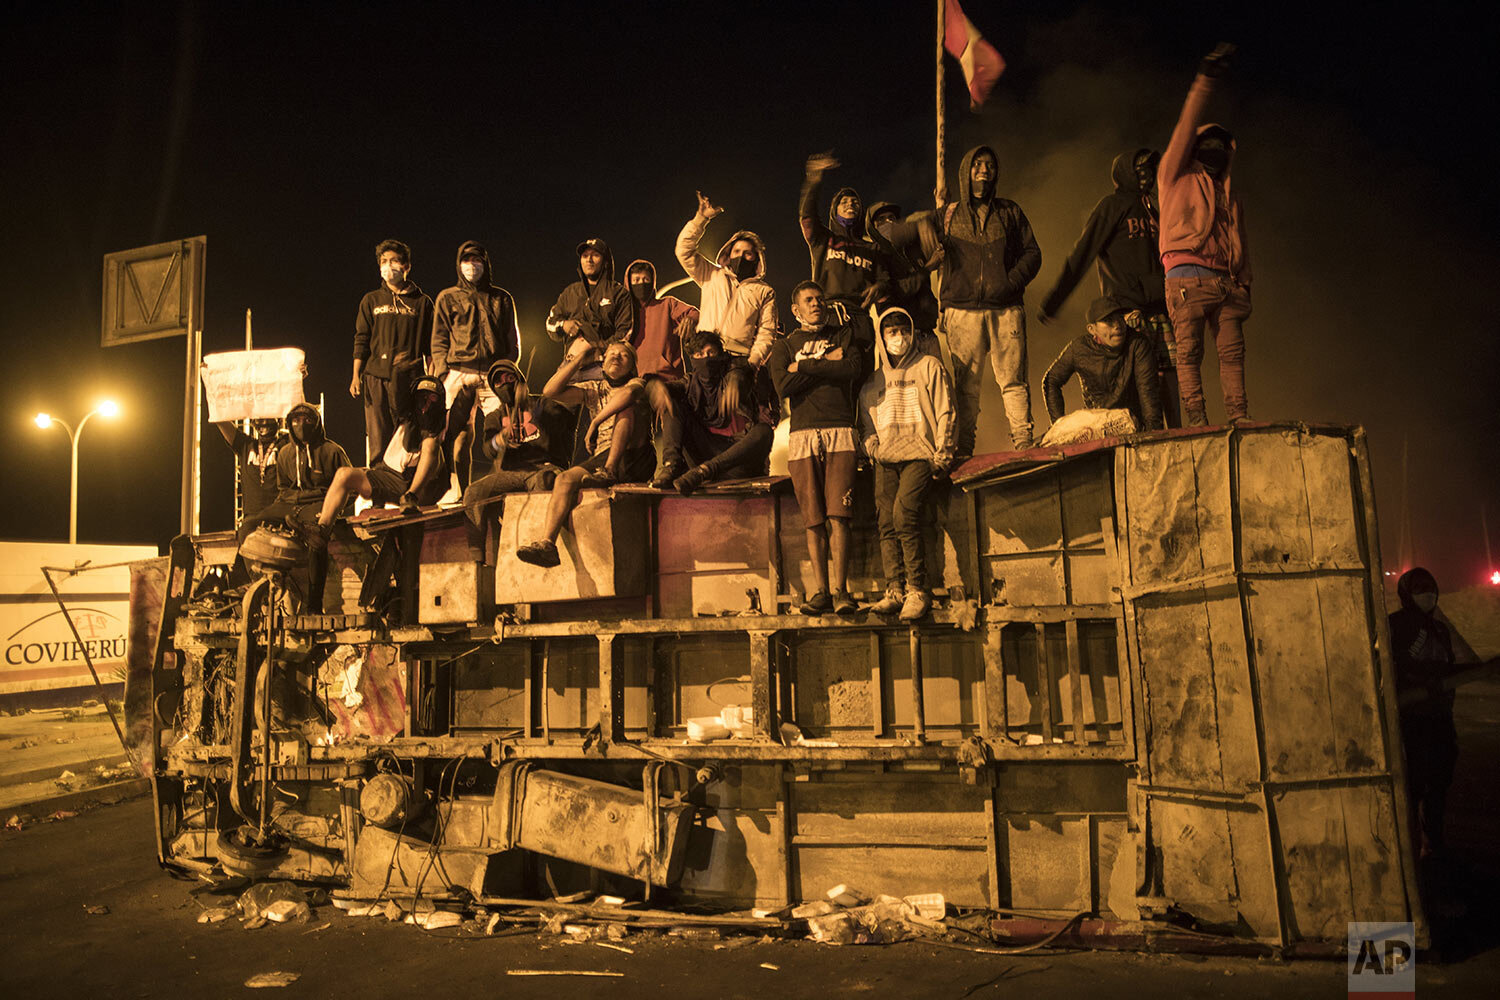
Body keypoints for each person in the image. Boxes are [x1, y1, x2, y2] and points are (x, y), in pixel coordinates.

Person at [877, 145, 1042, 457]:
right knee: (967, 389)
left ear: (996, 173)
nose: (984, 170)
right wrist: (922, 223)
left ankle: (1024, 444)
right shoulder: (948, 215)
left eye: (990, 165)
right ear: (966, 171)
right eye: (977, 164)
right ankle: (965, 450)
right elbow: (892, 234)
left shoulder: (1009, 212)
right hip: (962, 312)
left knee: (1014, 382)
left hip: (1005, 309)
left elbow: (1033, 253)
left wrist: (1010, 283)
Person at [1037, 150, 1180, 427]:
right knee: (1137, 382)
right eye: (1137, 169)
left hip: (1160, 306)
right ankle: (1142, 438)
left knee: (1170, 373)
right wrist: (1055, 300)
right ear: (1125, 172)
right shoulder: (1111, 207)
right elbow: (1082, 254)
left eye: (1148, 169)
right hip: (1127, 310)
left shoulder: (1155, 208)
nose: (1144, 175)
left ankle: (1178, 434)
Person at [1158, 43, 1251, 426]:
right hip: (1187, 278)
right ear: (1196, 149)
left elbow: (1240, 238)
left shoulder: (1226, 189)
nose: (1214, 150)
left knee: (1232, 354)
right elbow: (1184, 126)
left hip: (1224, 284)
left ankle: (1238, 417)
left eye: (1221, 147)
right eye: (1207, 144)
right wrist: (1204, 80)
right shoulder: (1176, 174)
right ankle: (1197, 422)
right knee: (1189, 354)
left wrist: (1244, 282)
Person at [768, 281, 866, 615]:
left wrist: (807, 365)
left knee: (840, 515)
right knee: (813, 519)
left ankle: (842, 592)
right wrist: (827, 364)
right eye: (808, 300)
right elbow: (783, 385)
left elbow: (852, 369)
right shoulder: (784, 346)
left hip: (840, 429)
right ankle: (821, 592)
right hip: (803, 435)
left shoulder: (843, 335)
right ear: (795, 309)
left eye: (820, 299)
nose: (816, 304)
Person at [514, 340, 657, 567]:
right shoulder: (594, 388)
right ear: (602, 362)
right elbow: (550, 391)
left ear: (631, 367)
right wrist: (579, 359)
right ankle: (547, 544)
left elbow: (627, 397)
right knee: (564, 479)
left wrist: (594, 423)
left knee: (625, 410)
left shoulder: (637, 382)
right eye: (611, 354)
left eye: (623, 356)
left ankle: (609, 471)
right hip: (602, 455)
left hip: (634, 456)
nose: (616, 358)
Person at [857, 307, 956, 622]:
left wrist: (943, 452)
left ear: (913, 333)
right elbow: (866, 423)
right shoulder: (873, 380)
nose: (898, 338)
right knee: (886, 521)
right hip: (887, 457)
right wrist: (871, 447)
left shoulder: (930, 367)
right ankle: (895, 589)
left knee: (904, 515)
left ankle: (917, 589)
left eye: (904, 330)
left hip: (919, 454)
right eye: (891, 333)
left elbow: (945, 411)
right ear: (882, 338)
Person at [289, 375, 450, 553]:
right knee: (344, 474)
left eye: (432, 398)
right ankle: (321, 531)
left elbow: (451, 424)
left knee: (431, 444)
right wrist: (400, 369)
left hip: (417, 486)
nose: (425, 403)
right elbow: (396, 387)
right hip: (390, 477)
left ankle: (412, 496)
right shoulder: (405, 416)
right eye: (421, 397)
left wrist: (412, 494)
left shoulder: (439, 425)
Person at [234, 402, 351, 612]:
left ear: (316, 423)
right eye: (296, 421)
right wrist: (287, 502)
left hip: (318, 503)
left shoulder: (332, 451)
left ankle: (314, 604)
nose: (301, 425)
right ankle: (254, 580)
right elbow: (283, 487)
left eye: (307, 420)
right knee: (248, 525)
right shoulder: (286, 453)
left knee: (316, 542)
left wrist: (334, 508)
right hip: (289, 502)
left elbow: (348, 486)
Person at [431, 240, 522, 502]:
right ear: (459, 264)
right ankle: (459, 492)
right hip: (458, 370)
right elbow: (438, 339)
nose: (472, 266)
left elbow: (511, 339)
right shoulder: (447, 297)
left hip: (493, 374)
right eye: (467, 260)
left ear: (486, 264)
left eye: (477, 260)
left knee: (503, 432)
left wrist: (506, 369)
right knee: (456, 436)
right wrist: (442, 373)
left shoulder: (501, 298)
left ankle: (503, 488)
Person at [461, 359, 575, 563]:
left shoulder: (542, 403)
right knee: (474, 492)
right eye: (499, 382)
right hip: (512, 474)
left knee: (544, 481)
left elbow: (565, 421)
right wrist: (501, 439)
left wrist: (539, 412)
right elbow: (488, 449)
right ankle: (476, 558)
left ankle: (543, 544)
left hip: (544, 468)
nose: (505, 384)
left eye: (510, 378)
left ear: (520, 380)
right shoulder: (495, 417)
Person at [1389, 568, 1459, 856]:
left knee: (1440, 781)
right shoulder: (1394, 625)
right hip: (1412, 719)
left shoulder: (1440, 628)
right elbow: (1392, 665)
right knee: (1414, 783)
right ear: (1407, 593)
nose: (1427, 594)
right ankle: (1410, 843)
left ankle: (1433, 839)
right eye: (1419, 588)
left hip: (1440, 718)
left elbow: (1451, 664)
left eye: (1430, 588)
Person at [655, 330, 775, 494]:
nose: (706, 358)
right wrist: (656, 387)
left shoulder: (736, 370)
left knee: (764, 431)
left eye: (711, 352)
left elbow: (741, 371)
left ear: (721, 354)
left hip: (737, 462)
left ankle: (706, 470)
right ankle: (670, 465)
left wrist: (735, 381)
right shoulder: (690, 383)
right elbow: (666, 388)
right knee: (671, 403)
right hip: (703, 456)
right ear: (693, 359)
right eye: (700, 354)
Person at [351, 239, 434, 460]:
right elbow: (361, 339)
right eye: (384, 261)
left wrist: (432, 380)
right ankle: (380, 485)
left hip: (411, 378)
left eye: (394, 261)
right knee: (378, 436)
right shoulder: (371, 300)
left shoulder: (422, 302)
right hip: (376, 376)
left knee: (407, 435)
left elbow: (430, 346)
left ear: (406, 266)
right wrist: (355, 376)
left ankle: (406, 484)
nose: (388, 266)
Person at [675, 191, 777, 366]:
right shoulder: (711, 274)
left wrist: (753, 362)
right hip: (704, 353)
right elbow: (683, 250)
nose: (741, 256)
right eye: (737, 252)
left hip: (738, 360)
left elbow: (767, 331)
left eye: (748, 253)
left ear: (756, 258)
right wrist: (701, 219)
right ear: (728, 255)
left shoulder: (764, 291)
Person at [1041, 296, 1164, 432]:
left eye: (1120, 318)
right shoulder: (1079, 348)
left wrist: (1153, 433)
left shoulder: (1138, 343)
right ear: (1092, 329)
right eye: (1108, 321)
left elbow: (1147, 390)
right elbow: (1051, 379)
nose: (1117, 326)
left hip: (1133, 424)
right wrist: (1059, 426)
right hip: (1097, 426)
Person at [798, 152, 884, 317]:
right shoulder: (823, 239)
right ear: (834, 211)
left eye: (855, 202)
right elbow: (807, 215)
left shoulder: (871, 248)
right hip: (828, 313)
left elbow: (884, 278)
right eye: (843, 202)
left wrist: (880, 286)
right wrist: (813, 180)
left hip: (860, 317)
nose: (850, 204)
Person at [545, 238, 633, 382]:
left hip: (601, 367)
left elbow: (625, 334)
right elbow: (550, 324)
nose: (589, 260)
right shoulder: (570, 292)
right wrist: (564, 325)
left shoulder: (618, 293)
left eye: (595, 255)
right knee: (548, 401)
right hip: (569, 366)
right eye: (585, 256)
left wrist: (594, 348)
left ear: (605, 262)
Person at [866, 201, 938, 333]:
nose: (888, 222)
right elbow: (897, 290)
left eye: (892, 218)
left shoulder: (912, 250)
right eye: (881, 220)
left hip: (927, 329)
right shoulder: (875, 256)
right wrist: (928, 268)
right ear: (872, 228)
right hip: (899, 331)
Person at [623, 258, 698, 377]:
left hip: (667, 377)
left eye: (646, 279)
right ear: (629, 284)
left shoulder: (667, 304)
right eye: (636, 280)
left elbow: (694, 313)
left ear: (652, 283)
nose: (641, 284)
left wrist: (689, 320)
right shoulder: (624, 312)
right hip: (633, 379)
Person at [215, 417, 285, 525]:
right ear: (254, 423)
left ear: (279, 421)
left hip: (279, 517)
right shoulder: (245, 445)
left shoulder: (286, 444)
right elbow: (219, 418)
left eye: (270, 418)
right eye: (260, 419)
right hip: (252, 519)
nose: (265, 422)